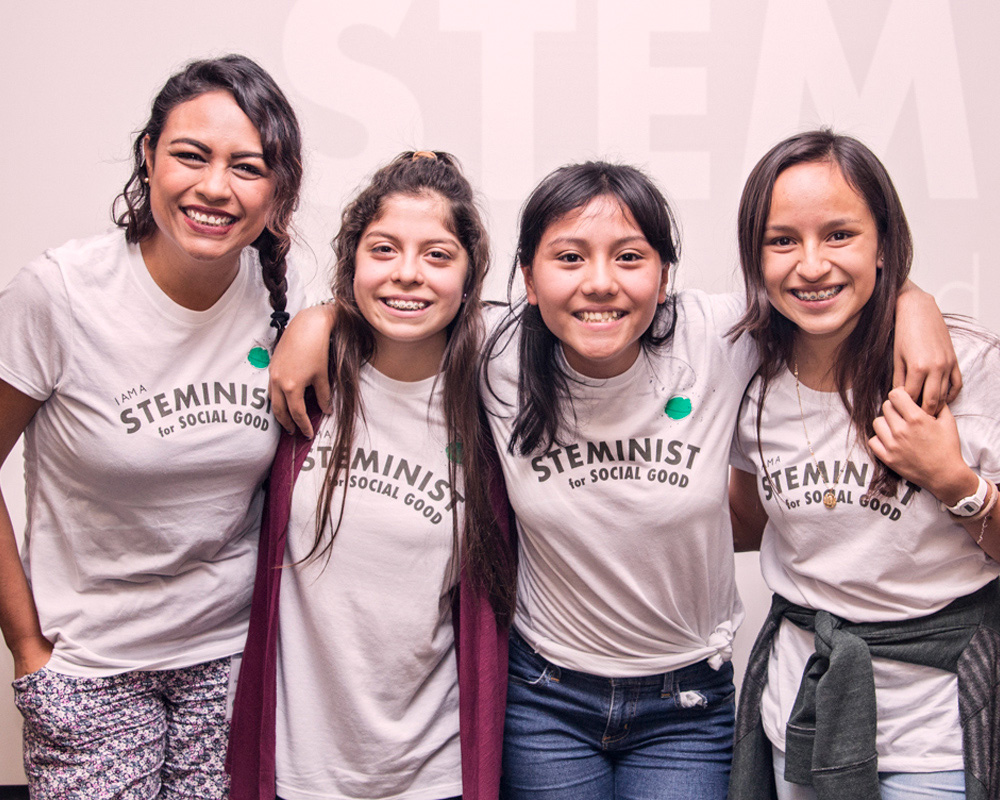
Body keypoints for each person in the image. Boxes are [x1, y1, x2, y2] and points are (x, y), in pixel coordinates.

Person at [268, 160, 957, 800]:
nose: (600, 281)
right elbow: (404, 308)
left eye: (629, 257)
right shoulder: (496, 356)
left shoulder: (716, 340)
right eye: (569, 258)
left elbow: (819, 286)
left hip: (685, 708)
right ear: (529, 281)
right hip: (547, 701)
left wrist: (910, 300)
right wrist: (316, 318)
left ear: (664, 277)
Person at [0, 54, 303, 799]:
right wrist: (28, 648)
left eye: (248, 166)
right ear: (149, 156)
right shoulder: (61, 294)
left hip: (232, 660)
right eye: (190, 156)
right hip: (90, 668)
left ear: (278, 189)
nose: (214, 188)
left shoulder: (283, 298)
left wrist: (323, 319)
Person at [226, 151, 516, 800]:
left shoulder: (495, 394)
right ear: (352, 260)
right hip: (301, 771)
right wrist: (316, 318)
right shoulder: (307, 379)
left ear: (470, 276)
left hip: (433, 774)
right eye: (383, 249)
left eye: (438, 255)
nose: (407, 275)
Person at [727, 130, 999, 800]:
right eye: (782, 240)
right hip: (800, 717)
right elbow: (748, 519)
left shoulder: (965, 364)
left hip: (934, 735)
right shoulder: (747, 368)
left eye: (840, 235)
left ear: (884, 242)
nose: (811, 265)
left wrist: (953, 481)